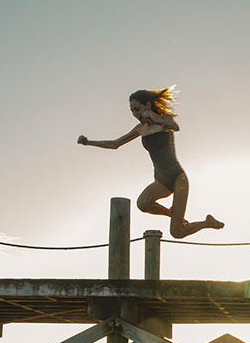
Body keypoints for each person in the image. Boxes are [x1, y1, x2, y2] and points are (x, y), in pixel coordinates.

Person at [78, 87, 224, 239]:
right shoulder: (141, 129)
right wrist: (88, 142)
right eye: (132, 111)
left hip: (178, 179)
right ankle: (170, 212)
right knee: (143, 204)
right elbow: (115, 144)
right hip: (161, 181)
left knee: (177, 232)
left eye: (137, 109)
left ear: (147, 106)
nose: (135, 114)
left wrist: (155, 118)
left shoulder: (164, 119)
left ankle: (207, 223)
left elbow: (176, 127)